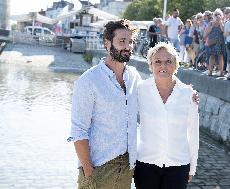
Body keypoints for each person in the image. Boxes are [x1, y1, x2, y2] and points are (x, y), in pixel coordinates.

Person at [68, 19, 199, 189]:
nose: (128, 46)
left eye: (130, 41)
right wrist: (88, 172)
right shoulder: (88, 81)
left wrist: (186, 91)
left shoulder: (134, 77)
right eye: (122, 41)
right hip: (99, 167)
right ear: (107, 44)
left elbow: (160, 82)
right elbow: (78, 132)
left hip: (128, 167)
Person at [134, 42, 199, 189]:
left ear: (176, 65)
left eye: (168, 61)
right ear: (151, 66)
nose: (163, 66)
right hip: (146, 164)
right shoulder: (140, 90)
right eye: (157, 62)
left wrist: (192, 167)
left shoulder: (188, 94)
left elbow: (193, 133)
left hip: (178, 165)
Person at [204, 9, 225, 76]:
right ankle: (210, 71)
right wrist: (212, 25)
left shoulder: (222, 23)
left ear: (221, 16)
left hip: (220, 42)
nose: (217, 16)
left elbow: (223, 31)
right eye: (215, 14)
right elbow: (207, 32)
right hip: (212, 42)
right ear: (213, 16)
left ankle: (221, 72)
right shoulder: (210, 23)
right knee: (211, 56)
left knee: (220, 56)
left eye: (219, 14)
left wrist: (220, 22)